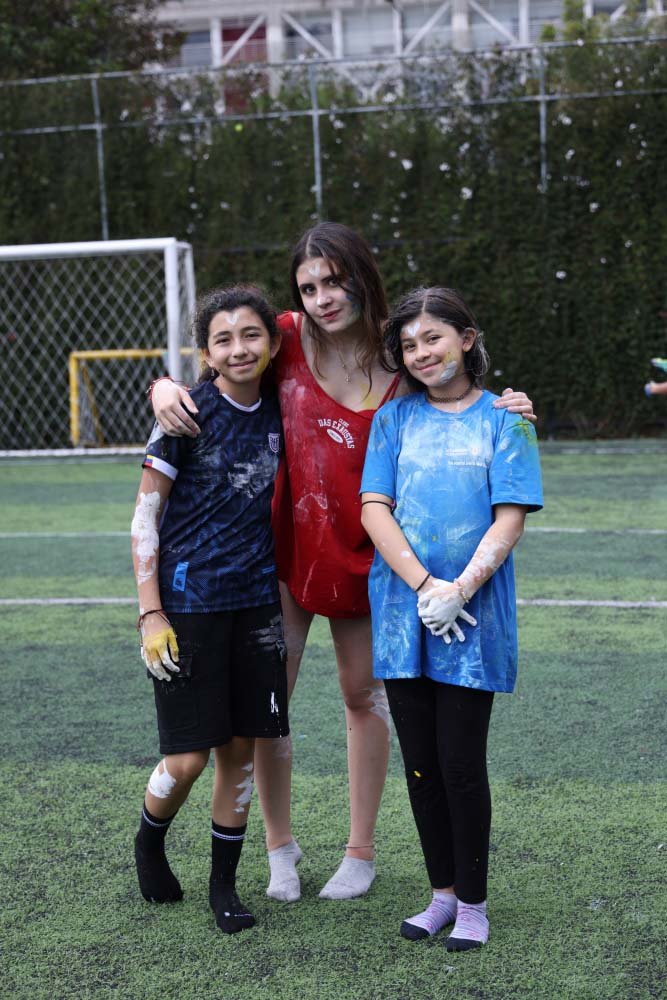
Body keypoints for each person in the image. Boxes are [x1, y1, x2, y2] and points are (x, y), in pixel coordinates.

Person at [150, 222, 537, 903]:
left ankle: (360, 853)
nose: (323, 297)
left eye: (335, 281)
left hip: (377, 559)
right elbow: (223, 359)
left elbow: (459, 393)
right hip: (288, 552)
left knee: (364, 697)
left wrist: (513, 405)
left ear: (363, 277)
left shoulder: (402, 348)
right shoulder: (285, 337)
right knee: (271, 706)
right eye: (309, 286)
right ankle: (280, 848)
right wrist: (161, 384)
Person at [360, 286, 543, 951]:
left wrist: (460, 589)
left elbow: (510, 516)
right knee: (420, 767)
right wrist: (425, 585)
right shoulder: (393, 420)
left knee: (461, 764)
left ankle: (472, 903)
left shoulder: (507, 419)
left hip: (473, 618)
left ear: (465, 340)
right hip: (402, 614)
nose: (420, 353)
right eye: (408, 345)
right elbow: (373, 507)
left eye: (432, 337)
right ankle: (440, 895)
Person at [131, 284, 288, 934]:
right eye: (223, 339)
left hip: (257, 608)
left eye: (251, 334)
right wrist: (151, 613)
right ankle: (149, 841)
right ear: (206, 353)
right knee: (188, 758)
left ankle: (223, 885)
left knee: (241, 753)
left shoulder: (282, 408)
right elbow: (146, 516)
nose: (239, 348)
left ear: (271, 342)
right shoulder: (186, 414)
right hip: (187, 608)